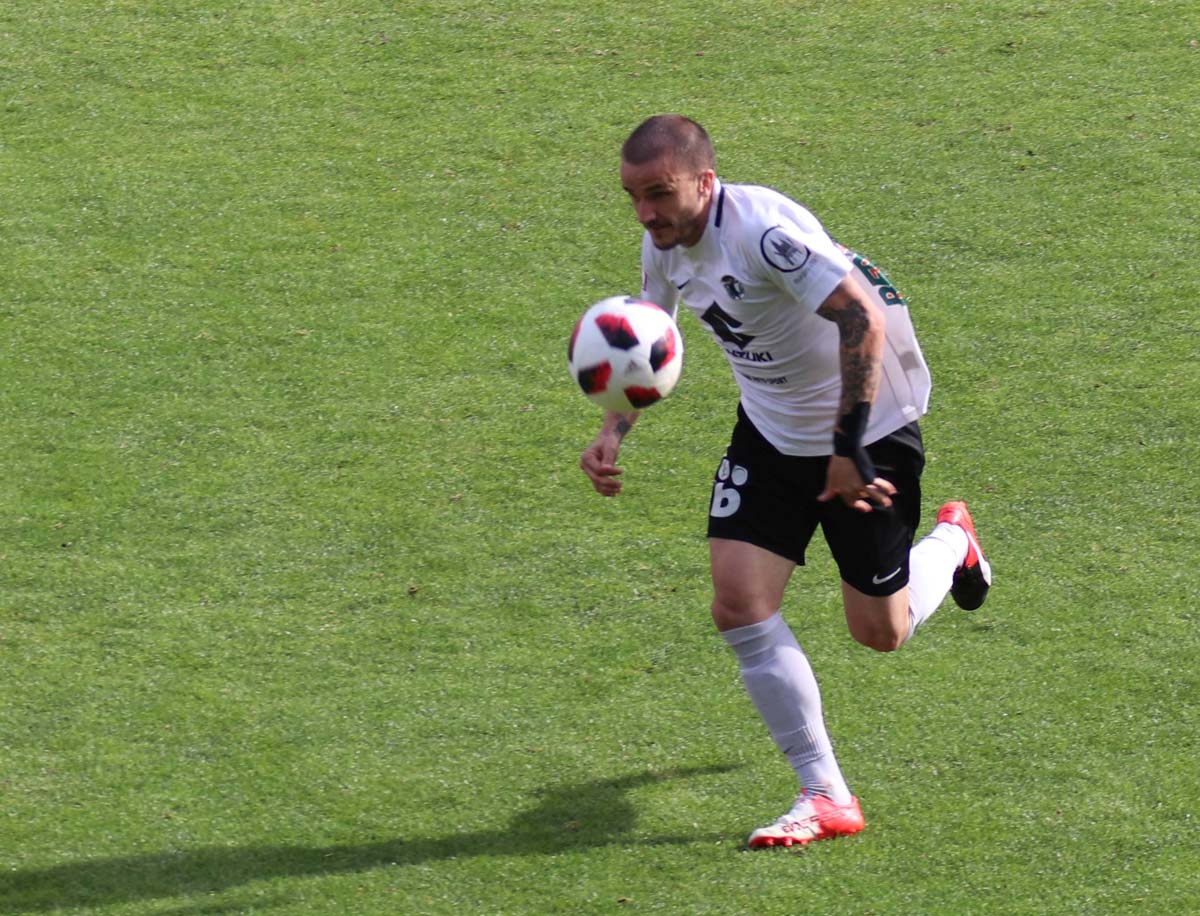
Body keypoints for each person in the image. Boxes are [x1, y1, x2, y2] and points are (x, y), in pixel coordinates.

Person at [579, 115, 993, 848]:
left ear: (704, 182)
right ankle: (825, 793)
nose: (644, 213)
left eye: (659, 193)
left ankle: (953, 542)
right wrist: (613, 430)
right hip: (769, 434)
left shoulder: (765, 232)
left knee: (881, 632)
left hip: (865, 433)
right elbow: (649, 336)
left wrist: (846, 445)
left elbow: (861, 318)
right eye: (632, 197)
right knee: (738, 605)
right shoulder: (665, 243)